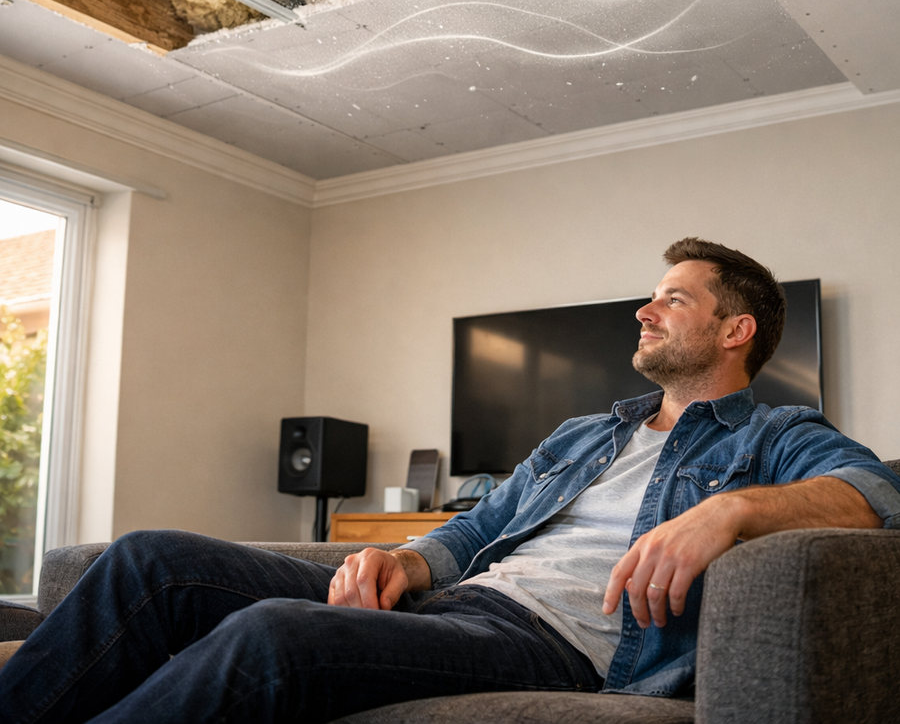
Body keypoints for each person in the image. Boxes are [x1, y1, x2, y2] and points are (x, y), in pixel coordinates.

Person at [3, 239, 898, 723]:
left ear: (736, 330)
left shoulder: (778, 434)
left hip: (557, 644)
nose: (645, 307)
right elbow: (474, 530)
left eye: (674, 298)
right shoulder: (588, 432)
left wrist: (732, 510)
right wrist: (402, 561)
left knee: (273, 636)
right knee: (148, 560)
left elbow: (881, 495)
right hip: (458, 597)